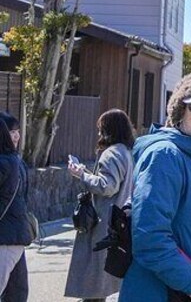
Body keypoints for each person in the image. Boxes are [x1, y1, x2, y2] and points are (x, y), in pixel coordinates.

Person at [119, 74, 191, 302]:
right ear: (180, 110)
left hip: (178, 289)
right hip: (159, 292)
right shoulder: (165, 155)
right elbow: (150, 237)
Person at [65, 109, 136, 301]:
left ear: (108, 130)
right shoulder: (126, 152)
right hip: (117, 221)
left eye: (100, 129)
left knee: (94, 285)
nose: (98, 134)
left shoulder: (110, 154)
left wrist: (81, 175)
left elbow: (107, 186)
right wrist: (87, 172)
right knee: (103, 284)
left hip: (102, 223)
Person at [0, 118, 33, 295]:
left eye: (17, 131)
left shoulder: (8, 162)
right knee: (16, 292)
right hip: (14, 235)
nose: (16, 136)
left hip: (7, 237)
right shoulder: (15, 161)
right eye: (12, 132)